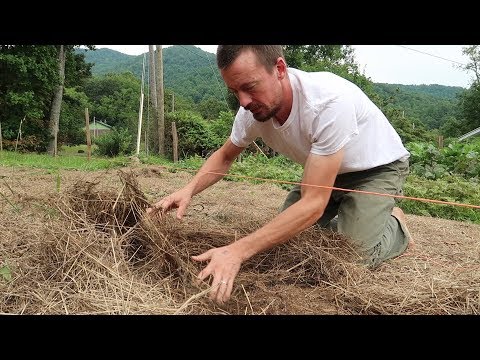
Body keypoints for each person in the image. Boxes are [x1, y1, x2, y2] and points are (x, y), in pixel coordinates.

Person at [147, 45, 413, 304]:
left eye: (250, 87)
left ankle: (394, 224)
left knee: (352, 257)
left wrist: (236, 251)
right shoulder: (250, 111)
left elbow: (313, 205)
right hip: (323, 168)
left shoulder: (328, 102)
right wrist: (188, 189)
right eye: (234, 91)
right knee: (284, 243)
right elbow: (226, 156)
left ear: (280, 68)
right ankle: (361, 218)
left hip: (375, 168)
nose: (243, 101)